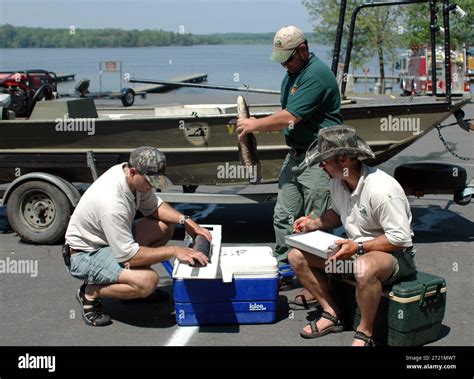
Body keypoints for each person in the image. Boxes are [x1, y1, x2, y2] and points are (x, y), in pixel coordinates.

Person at [236, 26, 342, 295]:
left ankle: (321, 280)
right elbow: (287, 112)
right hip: (295, 155)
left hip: (319, 156)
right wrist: (256, 124)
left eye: (289, 58)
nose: (284, 64)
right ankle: (287, 269)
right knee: (283, 215)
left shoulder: (316, 75)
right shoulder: (292, 74)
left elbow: (289, 117)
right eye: (281, 59)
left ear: (303, 49)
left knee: (315, 220)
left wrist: (254, 124)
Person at [288, 125, 417, 346]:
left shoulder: (382, 190)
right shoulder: (338, 183)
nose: (321, 166)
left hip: (395, 257)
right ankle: (331, 312)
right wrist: (313, 223)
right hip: (354, 252)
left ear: (344, 160)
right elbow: (337, 214)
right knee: (295, 256)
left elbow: (400, 239)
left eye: (325, 160)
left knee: (363, 267)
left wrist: (357, 248)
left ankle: (365, 332)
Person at [64, 146, 212, 326]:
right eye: (150, 181)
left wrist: (186, 221)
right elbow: (128, 255)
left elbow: (155, 207)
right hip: (85, 255)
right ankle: (89, 293)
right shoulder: (112, 203)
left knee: (164, 226)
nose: (153, 186)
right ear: (133, 172)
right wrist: (174, 251)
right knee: (148, 281)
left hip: (110, 243)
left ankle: (131, 289)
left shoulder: (130, 177)